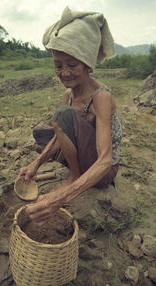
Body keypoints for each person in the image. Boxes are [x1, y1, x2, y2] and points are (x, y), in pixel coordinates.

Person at [16, 7, 122, 225]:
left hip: (103, 172)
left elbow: (105, 160)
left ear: (87, 64)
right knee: (44, 132)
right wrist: (36, 164)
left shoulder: (101, 97)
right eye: (58, 65)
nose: (64, 73)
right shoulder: (68, 95)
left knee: (62, 116)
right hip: (85, 156)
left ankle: (75, 175)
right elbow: (59, 135)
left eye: (72, 65)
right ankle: (75, 171)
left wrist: (61, 197)